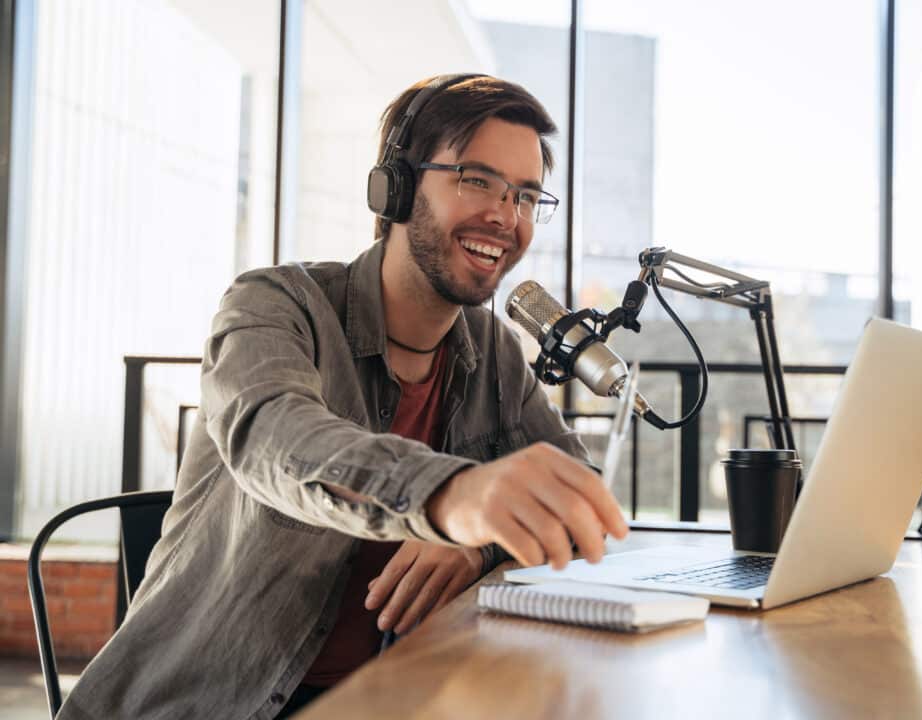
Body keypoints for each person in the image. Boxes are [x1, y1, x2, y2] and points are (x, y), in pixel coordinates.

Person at [57, 73, 627, 720]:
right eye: (476, 179)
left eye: (525, 195)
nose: (506, 215)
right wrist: (449, 496)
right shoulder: (274, 306)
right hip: (211, 705)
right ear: (397, 187)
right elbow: (278, 439)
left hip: (387, 695)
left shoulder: (491, 349)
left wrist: (475, 540)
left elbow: (578, 482)